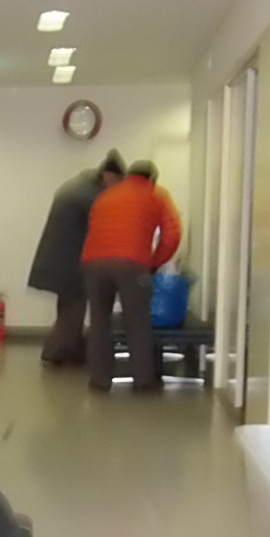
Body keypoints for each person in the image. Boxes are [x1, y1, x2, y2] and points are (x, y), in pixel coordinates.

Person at [80, 160, 181, 392]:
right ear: (152, 178)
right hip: (131, 262)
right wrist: (154, 262)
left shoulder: (106, 195)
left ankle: (99, 380)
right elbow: (172, 234)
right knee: (137, 322)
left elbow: (93, 227)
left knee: (99, 321)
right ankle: (144, 380)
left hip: (93, 262)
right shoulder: (157, 194)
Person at [27, 150, 126, 366]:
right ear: (109, 176)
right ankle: (54, 353)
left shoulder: (79, 185)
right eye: (118, 182)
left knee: (69, 309)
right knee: (73, 310)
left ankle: (73, 350)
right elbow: (102, 227)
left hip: (59, 259)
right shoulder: (89, 195)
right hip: (69, 261)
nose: (118, 187)